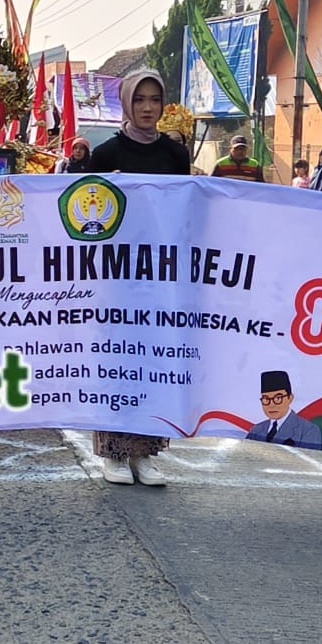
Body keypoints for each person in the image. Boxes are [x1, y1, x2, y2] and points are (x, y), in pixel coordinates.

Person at [87, 68, 190, 485]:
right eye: (139, 99)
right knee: (115, 359)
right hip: (114, 273)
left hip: (159, 271)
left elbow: (185, 209)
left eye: (154, 99)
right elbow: (84, 213)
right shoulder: (106, 154)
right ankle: (112, 453)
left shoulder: (175, 154)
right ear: (127, 103)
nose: (148, 108)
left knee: (152, 360)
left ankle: (146, 453)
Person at [245, 370, 322, 448]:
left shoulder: (308, 430)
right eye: (266, 399)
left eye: (278, 398)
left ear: (290, 398)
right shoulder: (256, 430)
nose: (271, 405)